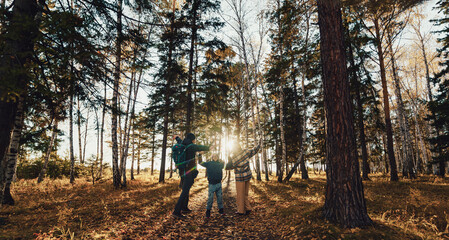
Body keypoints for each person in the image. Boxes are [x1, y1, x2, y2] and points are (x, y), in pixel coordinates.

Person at [172, 133, 211, 219]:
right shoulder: (192, 146)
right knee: (185, 191)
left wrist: (176, 137)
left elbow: (179, 140)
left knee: (186, 189)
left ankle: (184, 207)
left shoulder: (183, 143)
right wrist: (209, 147)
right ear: (193, 139)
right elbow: (200, 147)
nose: (195, 141)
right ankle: (176, 211)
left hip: (182, 172)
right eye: (194, 139)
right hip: (188, 172)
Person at [226, 141, 261, 216]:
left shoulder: (233, 158)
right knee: (245, 194)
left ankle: (241, 211)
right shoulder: (246, 151)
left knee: (240, 194)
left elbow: (228, 167)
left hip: (240, 178)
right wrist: (259, 144)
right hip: (247, 176)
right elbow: (254, 150)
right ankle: (248, 208)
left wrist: (229, 159)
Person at [199, 153, 225, 218]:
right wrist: (200, 155)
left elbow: (224, 164)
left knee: (220, 198)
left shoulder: (220, 164)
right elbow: (200, 162)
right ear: (212, 157)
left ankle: (221, 210)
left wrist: (222, 160)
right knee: (210, 199)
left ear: (218, 157)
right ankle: (208, 211)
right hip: (211, 184)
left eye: (216, 156)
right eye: (214, 156)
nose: (215, 157)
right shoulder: (209, 163)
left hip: (219, 184)